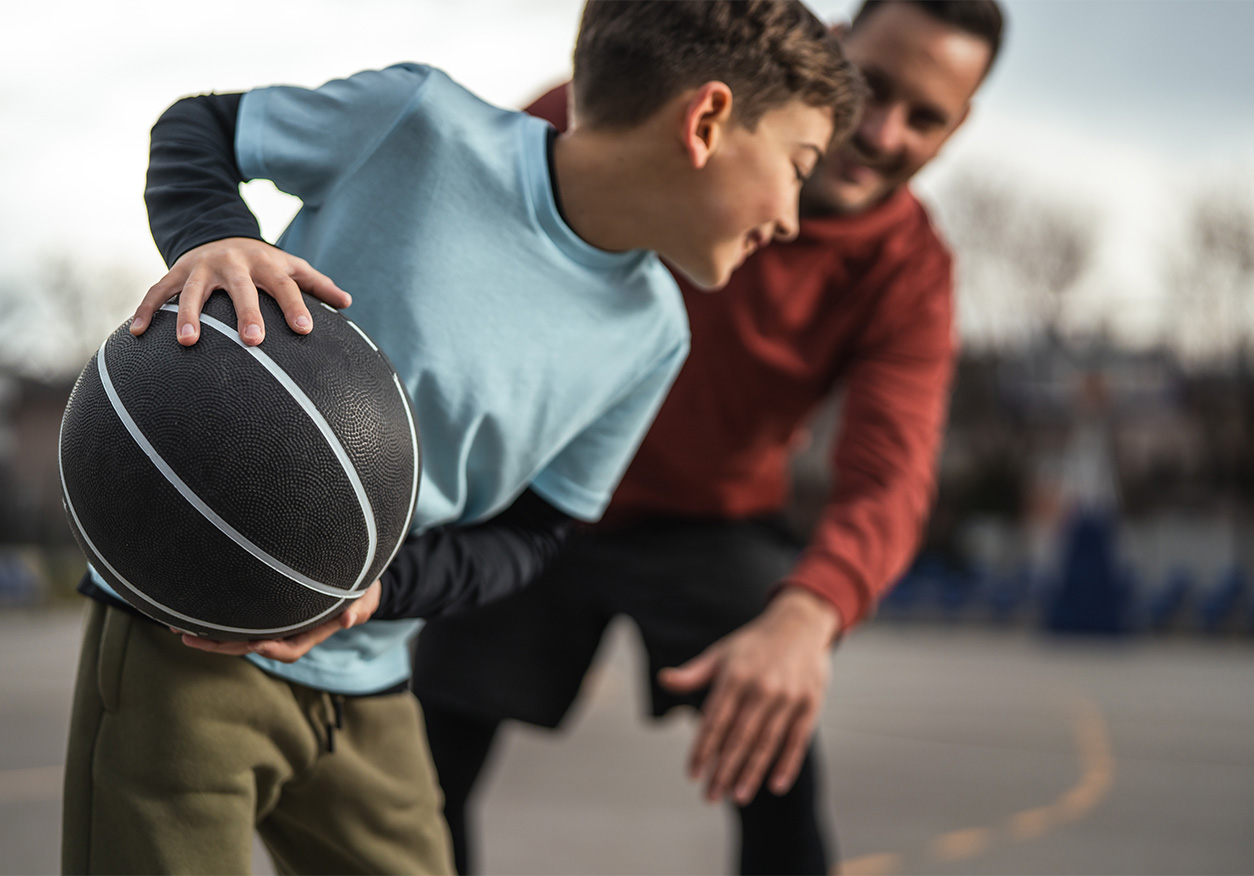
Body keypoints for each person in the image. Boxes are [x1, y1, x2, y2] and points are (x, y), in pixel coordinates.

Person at [60, 3, 864, 873]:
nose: (793, 214)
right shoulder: (421, 124)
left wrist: (376, 592)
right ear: (706, 120)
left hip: (371, 686)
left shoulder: (654, 335)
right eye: (799, 164)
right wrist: (217, 237)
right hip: (186, 638)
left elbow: (533, 535)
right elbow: (200, 126)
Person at [411, 1, 1005, 873]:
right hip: (528, 489)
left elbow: (892, 471)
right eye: (873, 89)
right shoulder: (631, 114)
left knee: (777, 759)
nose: (882, 133)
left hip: (704, 518)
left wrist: (809, 617)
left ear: (960, 126)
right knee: (417, 775)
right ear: (833, 50)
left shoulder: (908, 269)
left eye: (926, 118)